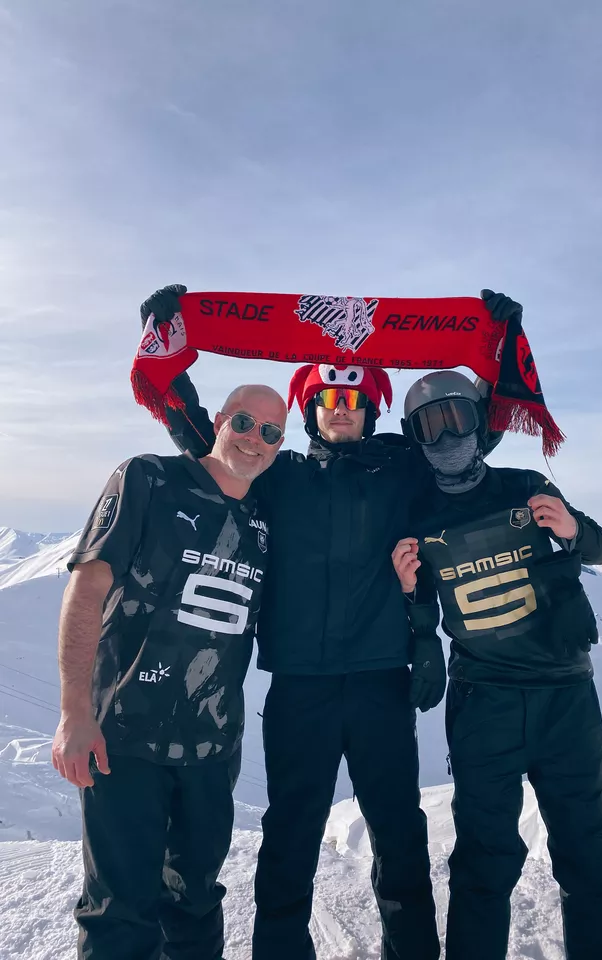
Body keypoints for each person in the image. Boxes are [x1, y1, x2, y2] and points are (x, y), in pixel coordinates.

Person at [138, 283, 449, 960]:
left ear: (370, 408)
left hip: (380, 685)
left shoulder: (403, 474)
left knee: (400, 836)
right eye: (329, 398)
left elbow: (461, 439)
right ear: (310, 406)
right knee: (290, 835)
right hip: (300, 691)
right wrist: (169, 351)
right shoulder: (278, 477)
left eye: (353, 398)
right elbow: (206, 439)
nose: (342, 409)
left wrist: (499, 347)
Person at [392, 365, 602, 960]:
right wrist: (412, 613)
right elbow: (420, 601)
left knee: (588, 854)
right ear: (413, 437)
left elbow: (597, 545)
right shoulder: (417, 516)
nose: (447, 438)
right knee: (483, 862)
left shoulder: (525, 485)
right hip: (485, 703)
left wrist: (573, 529)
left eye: (457, 417)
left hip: (564, 698)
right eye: (429, 426)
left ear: (482, 422)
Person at [51, 383, 287, 960]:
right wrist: (74, 713)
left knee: (195, 904)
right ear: (219, 422)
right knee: (120, 910)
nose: (255, 439)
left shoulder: (266, 519)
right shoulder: (149, 480)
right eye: (244, 423)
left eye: (271, 432)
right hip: (124, 737)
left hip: (212, 748)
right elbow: (86, 591)